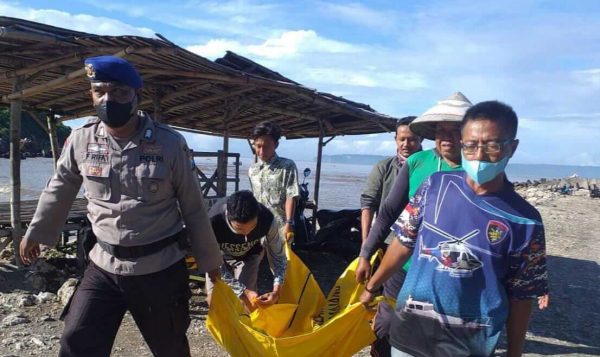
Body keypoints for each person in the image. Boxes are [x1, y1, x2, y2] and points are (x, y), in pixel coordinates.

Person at [19, 56, 222, 357]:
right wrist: (36, 232)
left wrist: (211, 268)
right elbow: (60, 186)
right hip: (103, 265)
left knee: (170, 348)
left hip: (158, 269)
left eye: (119, 92)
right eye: (99, 91)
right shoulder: (81, 139)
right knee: (75, 342)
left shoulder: (169, 144)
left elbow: (193, 207)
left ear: (136, 96)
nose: (108, 99)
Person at [360, 100, 549, 357]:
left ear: (512, 147)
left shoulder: (526, 220)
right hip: (410, 333)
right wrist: (372, 285)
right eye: (471, 145)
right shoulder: (433, 186)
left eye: (493, 145)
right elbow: (403, 243)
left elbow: (521, 296)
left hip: (471, 344)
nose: (480, 155)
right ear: (462, 143)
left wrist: (514, 351)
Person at [356, 92, 472, 357]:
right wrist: (365, 253)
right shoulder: (418, 162)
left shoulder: (478, 171)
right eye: (441, 130)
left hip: (450, 272)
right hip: (403, 264)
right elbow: (387, 213)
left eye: (455, 131)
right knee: (385, 326)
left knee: (435, 337)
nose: (447, 137)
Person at [358, 116, 422, 356]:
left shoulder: (428, 165)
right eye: (402, 139)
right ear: (395, 139)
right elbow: (370, 205)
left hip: (420, 249)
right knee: (386, 301)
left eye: (412, 139)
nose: (407, 143)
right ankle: (380, 346)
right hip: (387, 244)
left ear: (421, 139)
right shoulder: (384, 167)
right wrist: (367, 245)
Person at [206, 190, 287, 313]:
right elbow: (212, 265)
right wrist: (242, 291)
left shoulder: (267, 219)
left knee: (249, 303)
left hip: (250, 255)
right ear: (228, 216)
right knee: (215, 301)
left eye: (252, 227)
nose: (246, 233)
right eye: (239, 229)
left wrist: (277, 291)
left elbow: (279, 257)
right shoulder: (212, 222)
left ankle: (244, 329)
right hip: (219, 257)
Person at [249, 121, 300, 241]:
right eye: (258, 146)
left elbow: (291, 195)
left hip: (280, 228)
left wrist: (289, 223)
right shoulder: (253, 170)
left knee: (280, 260)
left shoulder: (287, 166)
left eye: (266, 147)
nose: (261, 151)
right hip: (257, 228)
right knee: (258, 259)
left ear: (276, 145)